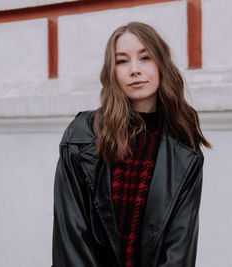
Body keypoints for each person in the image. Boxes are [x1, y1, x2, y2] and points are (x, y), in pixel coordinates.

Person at [52, 21, 211, 267]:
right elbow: (72, 241)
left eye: (145, 58)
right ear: (111, 71)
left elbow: (179, 250)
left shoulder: (184, 150)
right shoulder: (82, 136)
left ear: (161, 65)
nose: (134, 69)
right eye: (122, 61)